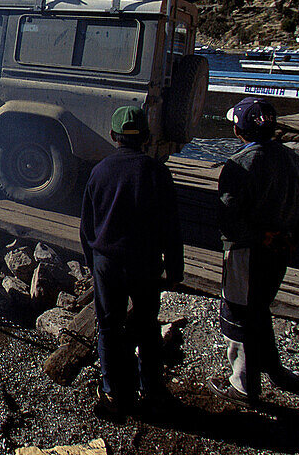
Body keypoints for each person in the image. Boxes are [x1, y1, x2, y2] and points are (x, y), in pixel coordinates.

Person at [206, 98, 299, 405]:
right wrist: (292, 235)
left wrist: (259, 236)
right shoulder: (290, 157)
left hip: (246, 252)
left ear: (239, 130)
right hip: (280, 251)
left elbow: (229, 218)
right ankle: (272, 368)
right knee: (260, 307)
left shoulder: (239, 165)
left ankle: (243, 385)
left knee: (238, 313)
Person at [80, 106, 183, 421]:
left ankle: (112, 390)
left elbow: (87, 227)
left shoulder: (99, 172)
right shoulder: (156, 172)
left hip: (107, 262)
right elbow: (171, 227)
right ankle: (150, 387)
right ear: (147, 137)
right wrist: (174, 268)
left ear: (113, 136)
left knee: (109, 327)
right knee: (148, 326)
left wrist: (92, 264)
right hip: (144, 262)